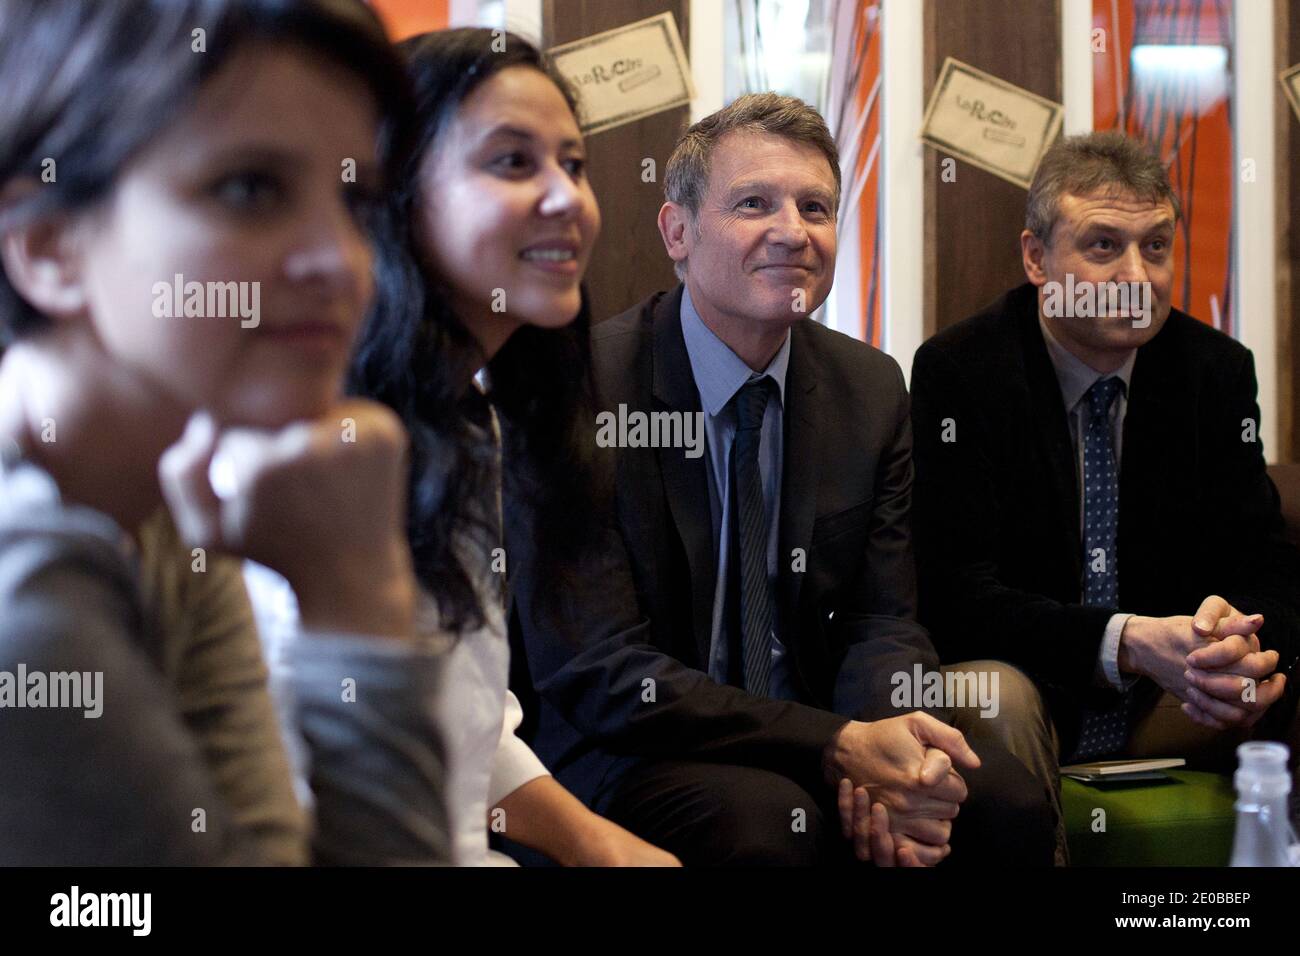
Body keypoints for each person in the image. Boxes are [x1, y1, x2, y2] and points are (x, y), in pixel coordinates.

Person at [506, 92, 1056, 866]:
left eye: (816, 207)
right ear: (678, 232)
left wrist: (885, 752)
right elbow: (603, 672)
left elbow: (884, 623)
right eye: (754, 203)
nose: (792, 232)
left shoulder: (870, 390)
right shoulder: (584, 390)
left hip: (820, 728)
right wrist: (837, 746)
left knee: (998, 800)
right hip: (631, 747)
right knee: (764, 826)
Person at [0, 0, 451, 865]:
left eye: (353, 200)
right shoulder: (28, 611)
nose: (342, 262)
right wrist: (359, 604)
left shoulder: (158, 507)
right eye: (250, 189)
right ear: (49, 246)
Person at [250, 27, 679, 866]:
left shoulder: (470, 419)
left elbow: (467, 723)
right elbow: (294, 771)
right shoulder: (316, 435)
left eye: (575, 164)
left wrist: (606, 848)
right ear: (397, 196)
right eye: (514, 163)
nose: (566, 198)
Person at [910, 131, 1300, 859]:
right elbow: (954, 595)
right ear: (1036, 258)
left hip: (1179, 702)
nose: (1137, 275)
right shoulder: (962, 371)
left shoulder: (1212, 370)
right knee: (993, 696)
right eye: (1103, 247)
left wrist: (1245, 643)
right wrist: (1125, 643)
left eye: (1155, 247)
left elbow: (1268, 564)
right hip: (1034, 694)